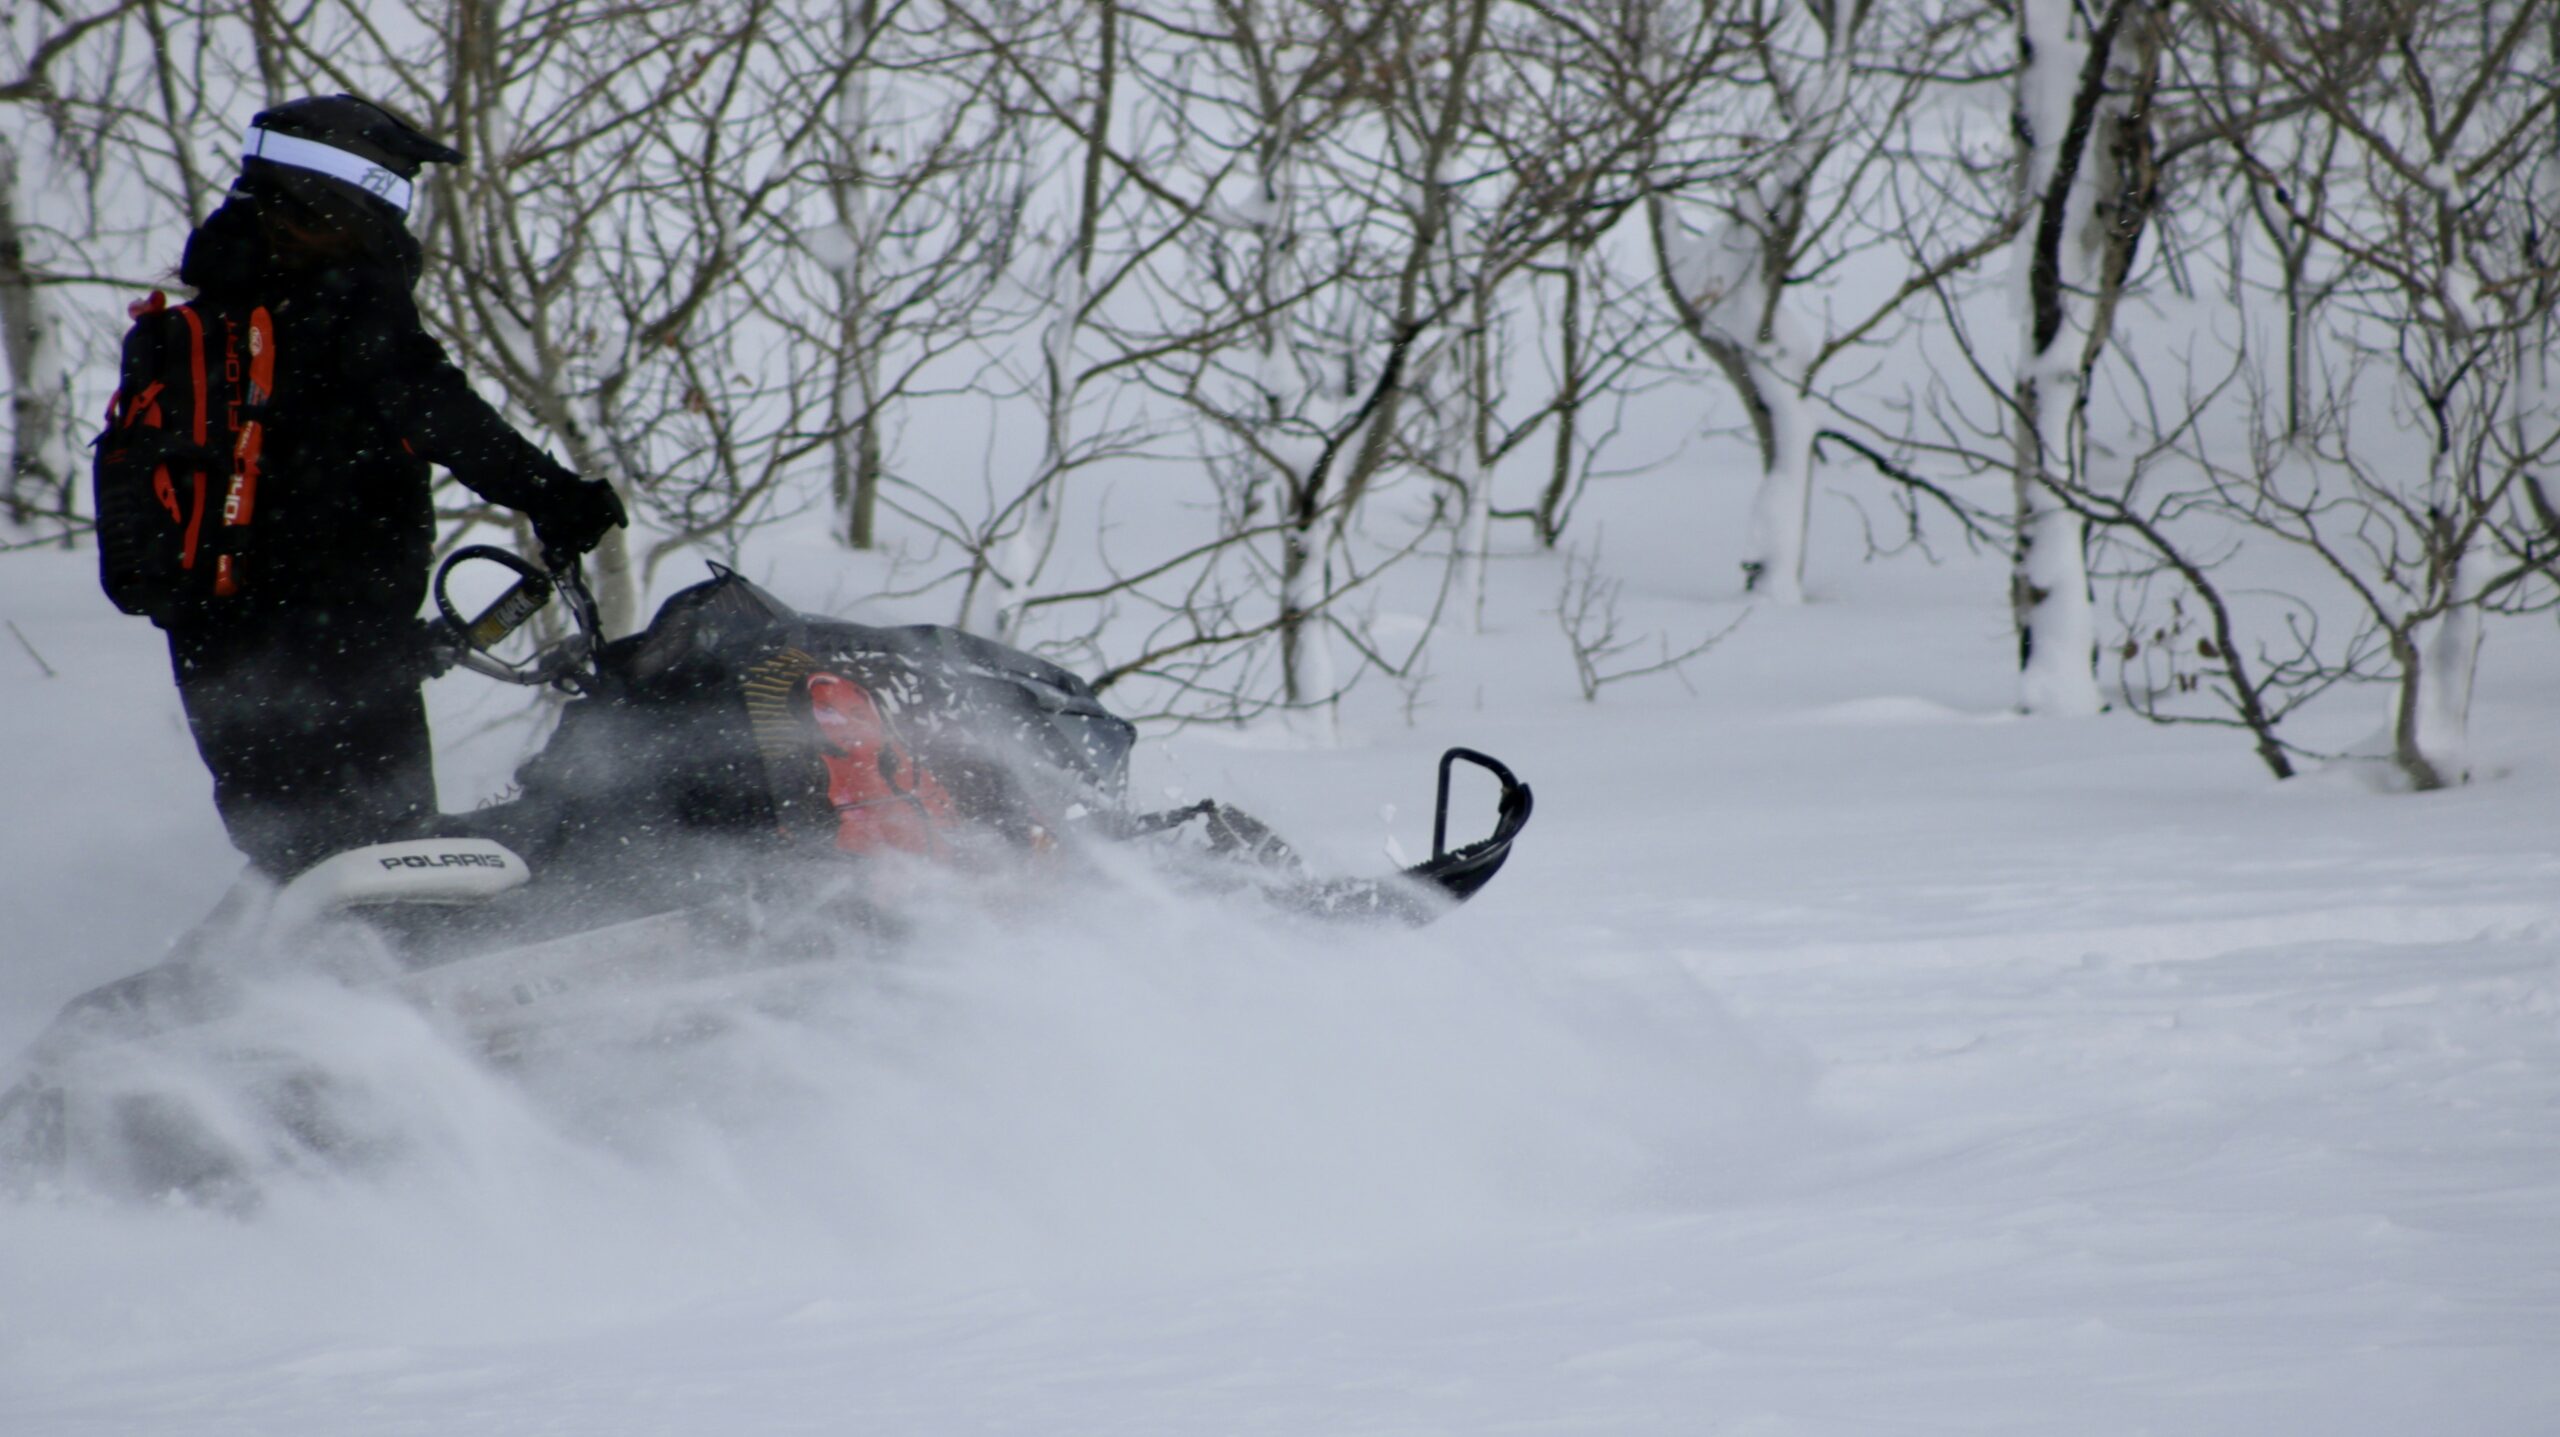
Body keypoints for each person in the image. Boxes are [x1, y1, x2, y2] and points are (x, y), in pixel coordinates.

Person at [117, 94, 625, 878]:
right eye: (393, 186)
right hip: (334, 624)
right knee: (392, 848)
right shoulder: (343, 298)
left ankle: (294, 984)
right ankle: (397, 992)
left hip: (214, 641)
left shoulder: (205, 313)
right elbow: (436, 408)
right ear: (347, 190)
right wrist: (556, 494)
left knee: (296, 851)